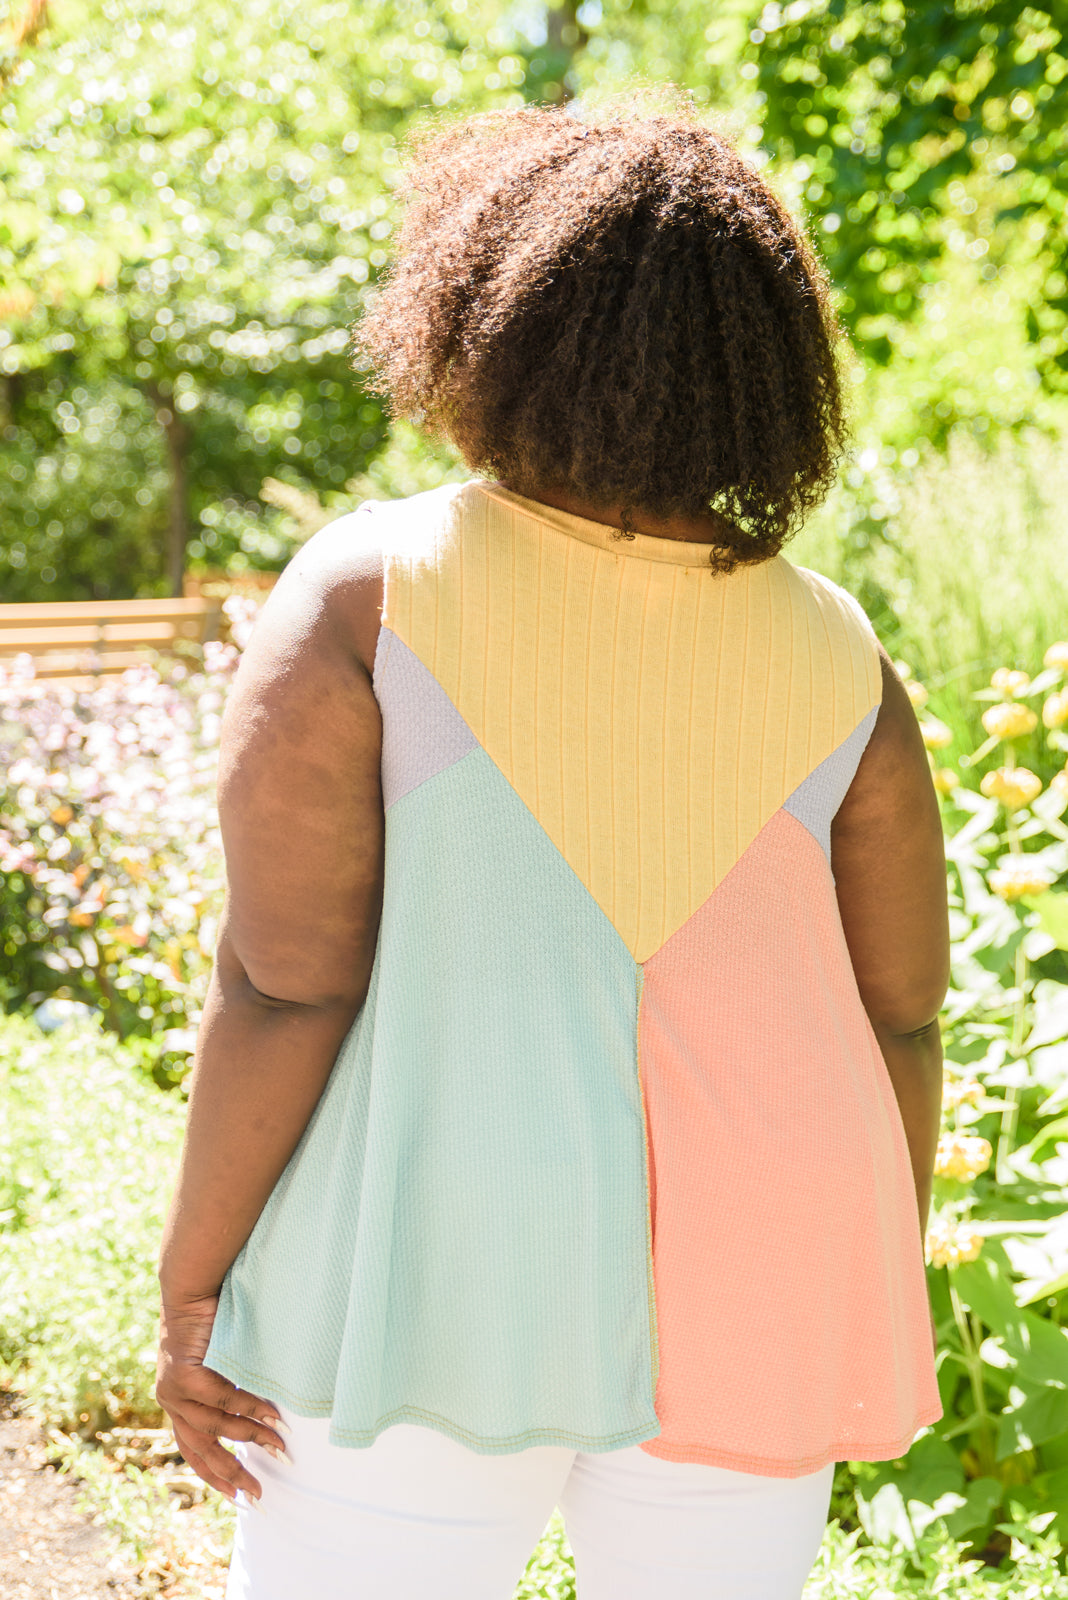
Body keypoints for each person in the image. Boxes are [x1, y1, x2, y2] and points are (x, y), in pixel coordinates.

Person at [155, 96, 949, 1600]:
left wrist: (193, 1290)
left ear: (483, 317)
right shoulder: (844, 652)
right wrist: (850, 1278)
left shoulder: (375, 592)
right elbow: (902, 1015)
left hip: (437, 1258)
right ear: (767, 365)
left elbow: (284, 984)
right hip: (765, 1269)